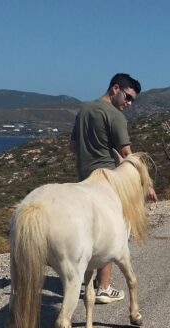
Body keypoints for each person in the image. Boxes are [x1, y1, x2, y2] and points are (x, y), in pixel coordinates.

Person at [69, 72, 155, 304]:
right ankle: (104, 287)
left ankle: (85, 282)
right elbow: (127, 153)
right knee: (111, 233)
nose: (128, 104)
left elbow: (73, 147)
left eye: (132, 100)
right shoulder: (115, 116)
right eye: (128, 97)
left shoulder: (84, 110)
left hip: (84, 179)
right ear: (115, 88)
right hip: (108, 180)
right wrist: (146, 184)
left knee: (88, 233)